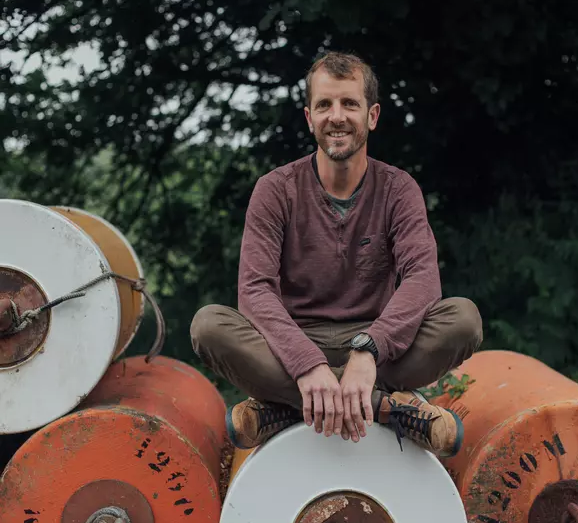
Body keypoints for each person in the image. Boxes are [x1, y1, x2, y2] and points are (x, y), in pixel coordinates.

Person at [191, 51, 483, 456]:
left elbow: (422, 279)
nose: (337, 116)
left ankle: (292, 409)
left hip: (378, 349)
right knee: (209, 326)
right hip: (291, 344)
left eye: (350, 103)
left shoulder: (399, 189)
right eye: (325, 104)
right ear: (309, 118)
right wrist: (308, 365)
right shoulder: (276, 189)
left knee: (463, 319)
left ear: (372, 115)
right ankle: (384, 408)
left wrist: (368, 349)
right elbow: (255, 291)